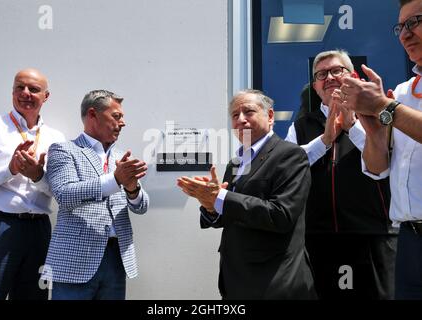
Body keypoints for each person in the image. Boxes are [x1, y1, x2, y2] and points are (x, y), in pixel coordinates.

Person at [177, 89, 316, 299]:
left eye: (248, 112)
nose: (241, 119)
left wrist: (220, 198)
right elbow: (229, 214)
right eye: (234, 115)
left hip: (273, 280)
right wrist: (209, 205)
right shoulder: (235, 163)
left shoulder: (290, 155)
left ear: (270, 116)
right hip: (235, 280)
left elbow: (282, 215)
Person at [286, 50, 397, 300]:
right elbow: (289, 167)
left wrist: (352, 127)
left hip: (373, 235)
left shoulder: (377, 115)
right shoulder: (300, 126)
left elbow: (389, 159)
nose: (330, 78)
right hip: (318, 239)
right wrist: (325, 140)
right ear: (315, 87)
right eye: (322, 74)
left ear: (353, 76)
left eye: (338, 71)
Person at [335, 0, 422, 299]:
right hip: (410, 241)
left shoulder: (392, 101)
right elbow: (377, 168)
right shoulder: (401, 93)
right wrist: (374, 131)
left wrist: (383, 107)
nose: (405, 34)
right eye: (401, 26)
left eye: (415, 22)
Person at [42, 89, 149, 300]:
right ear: (92, 115)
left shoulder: (122, 158)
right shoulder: (64, 150)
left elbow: (141, 206)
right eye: (116, 116)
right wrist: (116, 180)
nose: (123, 123)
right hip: (74, 262)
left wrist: (132, 188)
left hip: (116, 259)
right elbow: (65, 195)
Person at [0, 68, 65, 300]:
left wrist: (37, 176)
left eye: (33, 89)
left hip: (38, 229)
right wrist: (9, 169)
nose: (25, 93)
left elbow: (61, 191)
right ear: (12, 91)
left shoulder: (56, 138)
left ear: (46, 96)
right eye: (19, 87)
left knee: (33, 296)